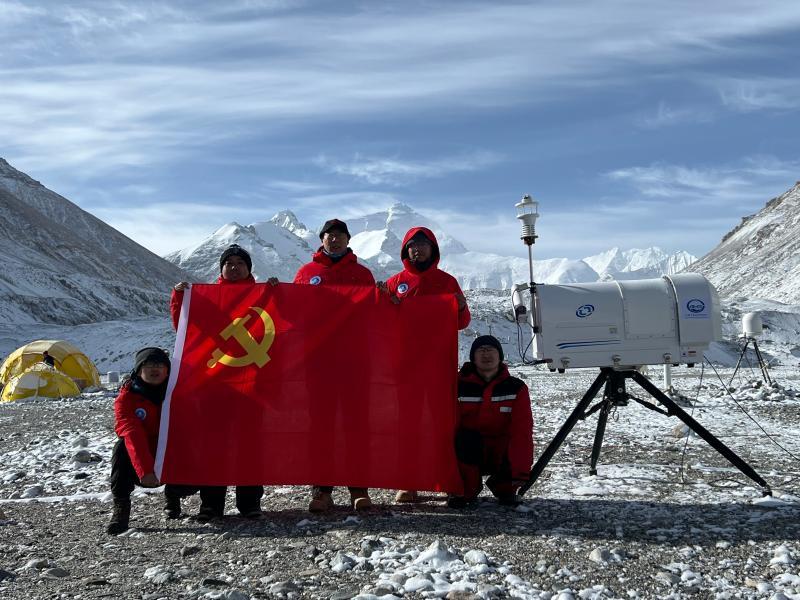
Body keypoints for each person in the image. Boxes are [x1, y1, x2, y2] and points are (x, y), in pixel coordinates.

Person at [171, 244, 269, 521]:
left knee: (250, 446)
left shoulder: (263, 296)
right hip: (216, 386)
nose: (235, 267)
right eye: (229, 263)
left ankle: (250, 503)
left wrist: (277, 292)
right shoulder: (207, 298)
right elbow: (184, 327)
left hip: (253, 385)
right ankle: (211, 503)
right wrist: (180, 298)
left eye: (240, 262)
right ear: (221, 269)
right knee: (215, 445)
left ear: (249, 268)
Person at [378, 226, 471, 503]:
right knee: (408, 425)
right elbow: (383, 324)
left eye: (422, 244)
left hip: (439, 365)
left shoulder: (447, 281)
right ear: (405, 250)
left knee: (443, 423)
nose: (416, 249)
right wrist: (385, 303)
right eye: (411, 246)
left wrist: (462, 306)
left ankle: (444, 478)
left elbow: (461, 323)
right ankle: (409, 482)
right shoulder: (395, 282)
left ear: (433, 249)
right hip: (404, 367)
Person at [294, 218, 375, 512]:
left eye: (341, 236)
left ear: (348, 240)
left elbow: (374, 317)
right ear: (322, 239)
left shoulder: (362, 275)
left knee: (356, 426)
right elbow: (294, 313)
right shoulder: (306, 273)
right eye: (330, 235)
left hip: (355, 365)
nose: (335, 240)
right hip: (318, 366)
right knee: (321, 428)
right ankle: (321, 490)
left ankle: (358, 489)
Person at [447, 335, 533, 509]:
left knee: (513, 442)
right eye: (481, 350)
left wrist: (520, 473)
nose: (486, 354)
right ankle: (465, 489)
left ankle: (505, 488)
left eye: (491, 350)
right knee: (463, 439)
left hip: (500, 451)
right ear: (472, 357)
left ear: (500, 356)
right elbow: (448, 428)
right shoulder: (456, 385)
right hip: (469, 450)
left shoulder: (516, 388)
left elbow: (522, 431)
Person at [107, 347, 183, 534]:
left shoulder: (181, 393)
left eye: (159, 364)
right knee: (121, 449)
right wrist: (146, 470)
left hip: (174, 454)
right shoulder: (127, 398)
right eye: (148, 364)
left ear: (168, 369)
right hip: (144, 454)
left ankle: (179, 495)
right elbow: (132, 433)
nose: (154, 368)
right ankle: (121, 509)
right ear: (139, 369)